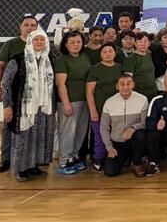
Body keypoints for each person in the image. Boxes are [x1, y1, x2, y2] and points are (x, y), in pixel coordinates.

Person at [1, 29, 55, 182]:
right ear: (30, 41)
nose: (39, 42)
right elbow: (5, 83)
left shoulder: (47, 60)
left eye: (42, 40)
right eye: (36, 39)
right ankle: (20, 168)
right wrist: (7, 105)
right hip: (23, 107)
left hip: (41, 107)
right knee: (23, 138)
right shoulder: (18, 60)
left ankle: (33, 166)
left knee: (38, 136)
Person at [0, 15, 39, 173]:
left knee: (32, 127)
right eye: (26, 25)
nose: (30, 28)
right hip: (14, 92)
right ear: (20, 27)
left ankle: (31, 160)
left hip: (33, 94)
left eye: (33, 25)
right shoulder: (11, 44)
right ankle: (5, 159)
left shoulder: (40, 43)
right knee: (9, 124)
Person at [54, 30, 92, 175]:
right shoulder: (62, 61)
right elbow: (60, 84)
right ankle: (64, 161)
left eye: (78, 42)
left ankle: (74, 157)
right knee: (68, 131)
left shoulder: (85, 57)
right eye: (72, 42)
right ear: (66, 44)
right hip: (70, 101)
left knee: (80, 130)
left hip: (85, 100)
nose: (76, 45)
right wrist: (66, 103)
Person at [100, 74, 148, 177]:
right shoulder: (109, 102)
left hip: (134, 141)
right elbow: (104, 128)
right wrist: (109, 148)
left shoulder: (142, 99)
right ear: (117, 86)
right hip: (117, 142)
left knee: (140, 135)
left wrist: (133, 128)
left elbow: (145, 123)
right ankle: (126, 158)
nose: (125, 87)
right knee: (110, 172)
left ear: (133, 85)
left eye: (128, 84)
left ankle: (137, 163)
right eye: (122, 84)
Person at [85, 43, 122, 172]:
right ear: (100, 55)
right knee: (100, 137)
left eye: (110, 51)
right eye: (104, 52)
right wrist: (93, 110)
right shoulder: (95, 69)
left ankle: (113, 158)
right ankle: (98, 160)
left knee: (115, 135)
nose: (108, 54)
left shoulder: (120, 67)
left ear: (115, 53)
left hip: (116, 110)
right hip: (100, 109)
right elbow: (89, 92)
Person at [122, 32, 157, 99]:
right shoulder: (130, 59)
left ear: (149, 43)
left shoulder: (149, 55)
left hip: (152, 92)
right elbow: (128, 79)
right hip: (139, 94)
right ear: (135, 43)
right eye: (140, 41)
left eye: (145, 41)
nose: (143, 44)